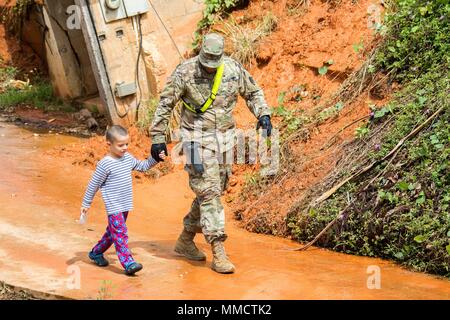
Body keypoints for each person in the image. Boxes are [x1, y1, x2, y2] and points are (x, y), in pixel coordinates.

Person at [149, 33, 273, 274]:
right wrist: (157, 138)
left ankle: (185, 239)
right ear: (201, 53)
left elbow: (253, 92)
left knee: (214, 189)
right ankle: (218, 251)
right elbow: (165, 104)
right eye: (205, 61)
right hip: (194, 141)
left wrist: (263, 114)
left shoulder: (232, 69)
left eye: (213, 62)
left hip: (225, 141)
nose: (209, 67)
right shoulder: (185, 72)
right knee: (210, 191)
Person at [81, 125, 165, 276]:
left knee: (112, 233)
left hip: (125, 204)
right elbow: (93, 184)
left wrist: (155, 158)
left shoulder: (127, 158)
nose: (125, 148)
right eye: (120, 145)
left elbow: (142, 166)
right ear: (109, 144)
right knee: (120, 233)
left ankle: (96, 252)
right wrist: (86, 203)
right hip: (113, 205)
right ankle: (128, 263)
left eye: (127, 144)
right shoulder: (105, 164)